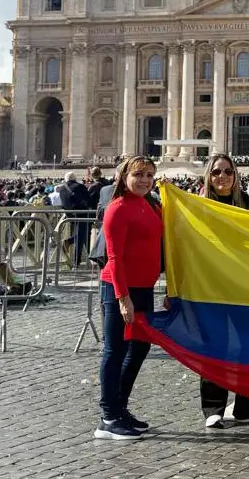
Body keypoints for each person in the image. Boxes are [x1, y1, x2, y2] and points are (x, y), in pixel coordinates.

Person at [199, 154, 249, 429]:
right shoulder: (198, 207)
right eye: (216, 172)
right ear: (208, 176)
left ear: (235, 175)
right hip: (210, 286)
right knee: (215, 344)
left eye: (227, 171)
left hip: (245, 286)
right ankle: (213, 407)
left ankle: (248, 406)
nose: (222, 177)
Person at [94, 156, 162, 440]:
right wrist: (123, 298)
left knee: (140, 348)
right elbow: (115, 257)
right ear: (124, 177)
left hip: (144, 288)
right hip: (119, 288)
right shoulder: (117, 208)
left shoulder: (150, 205)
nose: (145, 180)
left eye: (149, 175)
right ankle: (108, 417)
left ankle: (120, 408)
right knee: (115, 351)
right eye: (138, 174)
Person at [58, 171, 91, 266]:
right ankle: (76, 261)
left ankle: (87, 257)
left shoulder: (61, 188)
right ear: (75, 178)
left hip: (69, 215)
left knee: (82, 235)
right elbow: (88, 199)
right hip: (81, 214)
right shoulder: (79, 186)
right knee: (81, 236)